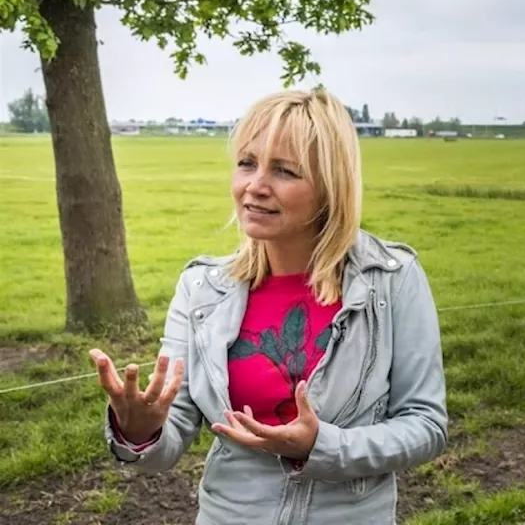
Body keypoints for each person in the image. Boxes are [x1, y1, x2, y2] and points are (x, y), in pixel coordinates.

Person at [88, 87, 448, 525]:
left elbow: (425, 425)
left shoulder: (391, 280)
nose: (254, 187)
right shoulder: (201, 289)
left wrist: (322, 446)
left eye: (284, 170)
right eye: (246, 163)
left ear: (330, 186)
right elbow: (169, 440)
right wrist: (139, 429)